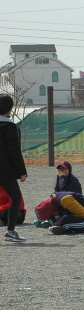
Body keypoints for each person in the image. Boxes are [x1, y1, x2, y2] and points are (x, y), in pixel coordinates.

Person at [0, 94, 27, 243]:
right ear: (10, 108)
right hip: (6, 171)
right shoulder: (10, 127)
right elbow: (14, 151)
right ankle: (10, 231)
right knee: (16, 198)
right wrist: (22, 172)